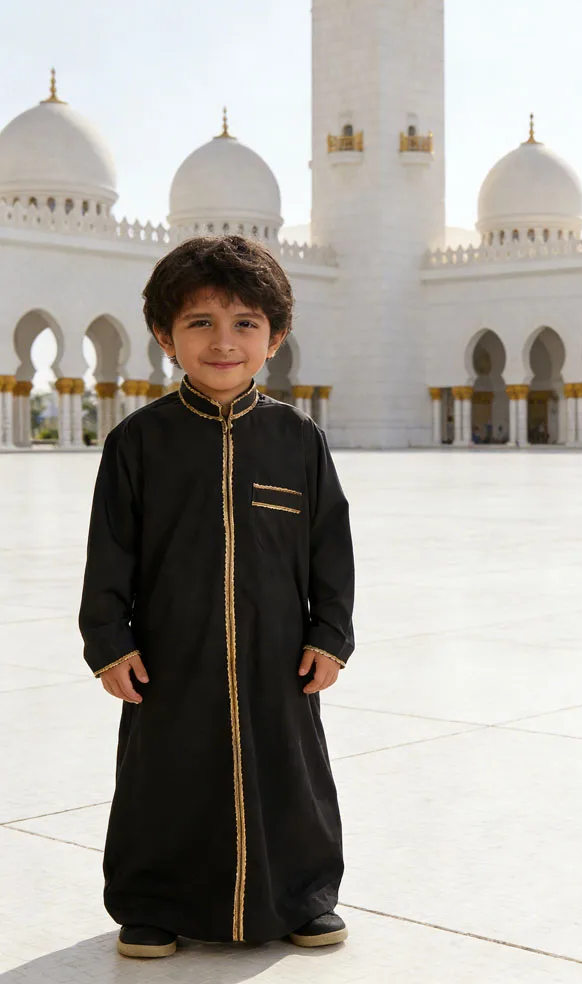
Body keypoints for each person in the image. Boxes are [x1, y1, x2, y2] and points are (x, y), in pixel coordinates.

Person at [78, 235, 355, 958]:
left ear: (277, 337)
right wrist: (109, 640)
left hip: (279, 657)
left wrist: (331, 634)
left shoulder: (299, 440)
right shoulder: (139, 442)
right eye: (200, 323)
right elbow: (110, 552)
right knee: (162, 779)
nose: (223, 342)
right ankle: (153, 904)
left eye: (244, 324)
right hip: (171, 655)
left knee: (290, 775)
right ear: (166, 337)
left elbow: (331, 546)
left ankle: (301, 895)